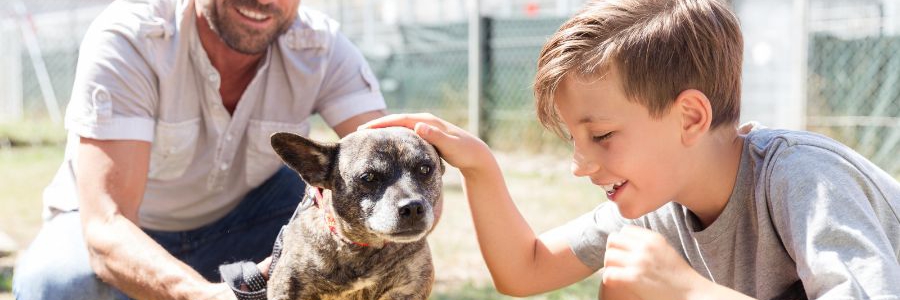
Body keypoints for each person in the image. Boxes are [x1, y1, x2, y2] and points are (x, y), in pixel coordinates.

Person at [361, 0, 900, 298]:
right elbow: (524, 271)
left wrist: (687, 292)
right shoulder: (657, 205)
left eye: (602, 136)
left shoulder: (803, 178)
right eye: (575, 140)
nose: (580, 164)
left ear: (690, 116)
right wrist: (478, 165)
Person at [12, 0, 386, 298]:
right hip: (124, 229)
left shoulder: (323, 46)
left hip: (251, 222)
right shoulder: (132, 36)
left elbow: (396, 168)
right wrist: (199, 295)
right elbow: (107, 222)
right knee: (58, 282)